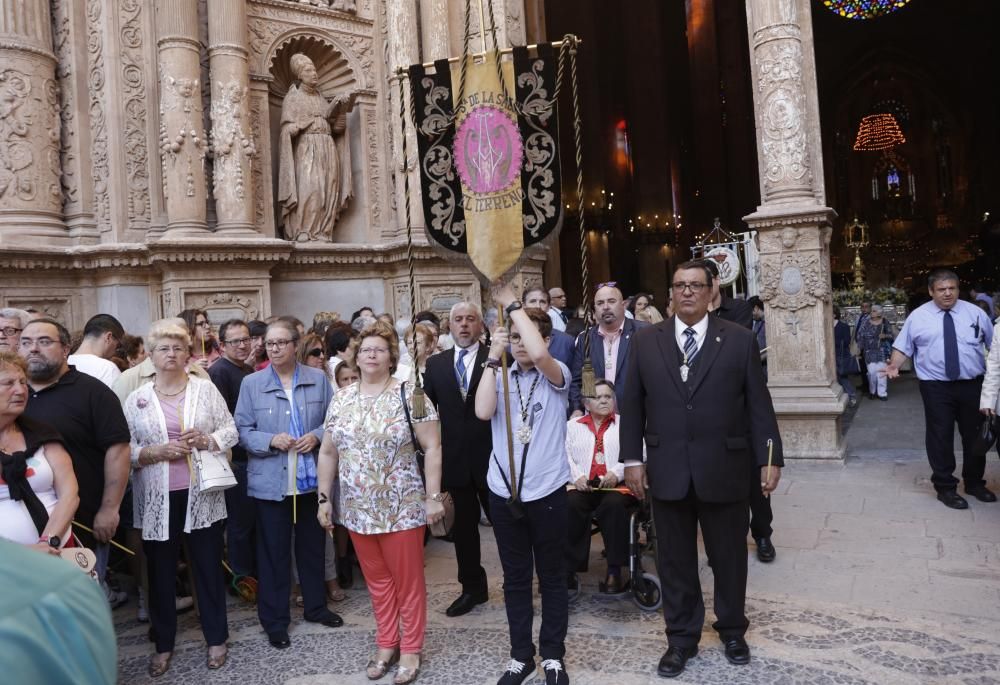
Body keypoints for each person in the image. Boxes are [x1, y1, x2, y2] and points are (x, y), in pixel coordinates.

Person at [621, 260, 783, 678]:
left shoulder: (739, 340)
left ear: (712, 291)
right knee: (674, 559)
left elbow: (758, 406)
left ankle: (732, 630)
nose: (687, 292)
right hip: (667, 467)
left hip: (725, 467)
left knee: (728, 556)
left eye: (695, 285)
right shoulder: (645, 342)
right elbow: (633, 404)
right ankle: (680, 638)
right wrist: (632, 460)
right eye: (679, 285)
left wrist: (770, 458)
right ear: (670, 293)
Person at [317, 319, 445, 685]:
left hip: (402, 506)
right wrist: (324, 499)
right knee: (377, 582)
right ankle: (387, 642)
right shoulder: (341, 398)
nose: (371, 354)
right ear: (355, 357)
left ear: (392, 357)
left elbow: (433, 446)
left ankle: (411, 649)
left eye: (380, 349)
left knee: (407, 582)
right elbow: (328, 452)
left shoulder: (410, 393)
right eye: (365, 349)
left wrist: (433, 497)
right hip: (358, 510)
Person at [124, 320, 238, 676]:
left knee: (207, 567)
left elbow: (230, 429)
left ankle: (217, 638)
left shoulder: (204, 389)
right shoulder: (137, 398)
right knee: (159, 572)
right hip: (158, 496)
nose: (170, 354)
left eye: (177, 348)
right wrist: (155, 451)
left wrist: (207, 440)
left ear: (188, 353)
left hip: (200, 493)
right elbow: (124, 449)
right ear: (151, 356)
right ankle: (163, 643)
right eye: (163, 349)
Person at [475, 289, 572, 685]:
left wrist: (515, 307)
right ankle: (521, 655)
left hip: (546, 489)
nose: (520, 345)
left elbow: (541, 355)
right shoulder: (500, 375)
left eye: (524, 338)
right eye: (513, 339)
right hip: (504, 490)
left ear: (543, 339)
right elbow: (482, 412)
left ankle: (552, 654)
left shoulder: (557, 373)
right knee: (515, 578)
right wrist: (491, 357)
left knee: (551, 576)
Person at [234, 320, 342, 650]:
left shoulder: (318, 379)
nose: (276, 349)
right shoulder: (252, 384)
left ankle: (315, 607)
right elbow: (241, 430)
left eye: (282, 343)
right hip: (272, 481)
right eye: (270, 344)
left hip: (311, 480)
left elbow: (334, 421)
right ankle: (275, 620)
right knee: (273, 553)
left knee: (311, 547)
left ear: (296, 345)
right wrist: (270, 440)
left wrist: (317, 436)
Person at [19, 318, 132, 606]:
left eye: (44, 342)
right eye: (26, 342)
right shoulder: (12, 394)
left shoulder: (94, 392)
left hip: (82, 523)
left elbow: (117, 450)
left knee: (82, 607)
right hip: (22, 528)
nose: (33, 349)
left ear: (66, 348)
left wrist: (109, 509)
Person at [885, 269, 995, 509]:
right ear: (931, 291)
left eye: (952, 288)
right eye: (941, 289)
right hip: (936, 387)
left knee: (975, 434)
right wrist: (894, 364)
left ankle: (975, 483)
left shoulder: (975, 313)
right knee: (940, 436)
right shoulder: (918, 316)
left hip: (972, 384)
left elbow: (993, 345)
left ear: (958, 289)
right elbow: (903, 346)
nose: (947, 293)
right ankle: (945, 487)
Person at [422, 302, 493, 618]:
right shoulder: (436, 365)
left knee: (509, 527)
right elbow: (426, 412)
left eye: (470, 319)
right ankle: (472, 589)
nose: (464, 325)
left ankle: (522, 584)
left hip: (493, 459)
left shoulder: (495, 357)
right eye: (457, 320)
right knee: (464, 532)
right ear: (449, 327)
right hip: (455, 460)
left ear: (480, 325)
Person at [0, 352, 78, 551]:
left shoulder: (42, 434)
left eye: (23, 382)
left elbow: (69, 494)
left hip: (55, 552)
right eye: (8, 383)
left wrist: (47, 542)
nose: (20, 390)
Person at [565, 379, 635, 596]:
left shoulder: (625, 423)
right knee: (571, 504)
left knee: (613, 506)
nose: (604, 400)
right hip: (582, 485)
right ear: (586, 403)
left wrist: (616, 472)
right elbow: (563, 455)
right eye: (598, 397)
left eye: (608, 397)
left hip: (615, 487)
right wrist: (577, 476)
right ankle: (569, 569)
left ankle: (615, 570)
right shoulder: (572, 426)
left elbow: (638, 452)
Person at [278, 52, 356, 242]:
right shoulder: (293, 98)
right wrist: (297, 126)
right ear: (300, 75)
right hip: (307, 148)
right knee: (311, 189)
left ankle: (323, 230)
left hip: (328, 148)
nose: (314, 73)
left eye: (314, 69)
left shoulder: (322, 100)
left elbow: (337, 129)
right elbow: (286, 129)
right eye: (308, 70)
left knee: (329, 189)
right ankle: (303, 229)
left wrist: (342, 109)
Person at [208, 319, 256, 584]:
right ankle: (241, 577)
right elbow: (221, 419)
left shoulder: (247, 370)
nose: (242, 345)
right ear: (222, 345)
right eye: (235, 341)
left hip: (253, 456)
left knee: (251, 522)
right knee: (239, 524)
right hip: (235, 460)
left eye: (245, 339)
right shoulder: (219, 372)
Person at [570, 283, 647, 417]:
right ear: (594, 310)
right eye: (600, 303)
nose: (605, 307)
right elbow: (577, 381)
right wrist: (577, 408)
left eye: (611, 301)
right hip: (597, 420)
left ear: (623, 305)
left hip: (637, 416)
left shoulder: (644, 332)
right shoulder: (585, 339)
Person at [112, 318, 211, 403]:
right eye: (164, 347)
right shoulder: (128, 380)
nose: (171, 353)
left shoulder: (200, 374)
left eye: (178, 345)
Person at [67, 314, 125, 388]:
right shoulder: (108, 370)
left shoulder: (63, 364)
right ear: (108, 337)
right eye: (118, 345)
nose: (116, 351)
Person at [524, 288, 574, 367]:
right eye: (533, 301)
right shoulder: (513, 340)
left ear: (548, 307)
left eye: (542, 302)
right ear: (524, 305)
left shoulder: (565, 341)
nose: (538, 306)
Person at [856, 304, 892, 401]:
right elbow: (859, 335)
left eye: (874, 311)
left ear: (879, 313)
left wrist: (885, 335)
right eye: (872, 310)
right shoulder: (866, 322)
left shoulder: (885, 322)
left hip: (882, 351)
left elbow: (891, 335)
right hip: (869, 350)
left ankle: (882, 393)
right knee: (871, 372)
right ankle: (872, 391)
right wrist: (860, 347)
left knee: (881, 373)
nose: (871, 312)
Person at [702, 260, 753, 329]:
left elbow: (740, 338)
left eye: (707, 280)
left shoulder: (739, 308)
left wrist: (711, 314)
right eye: (696, 284)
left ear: (717, 280)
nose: (704, 286)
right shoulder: (694, 314)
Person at [833, 307, 858, 408]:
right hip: (829, 355)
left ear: (834, 315)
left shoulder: (844, 326)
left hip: (840, 355)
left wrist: (832, 342)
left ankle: (852, 396)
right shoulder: (824, 325)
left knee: (842, 377)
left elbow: (846, 341)